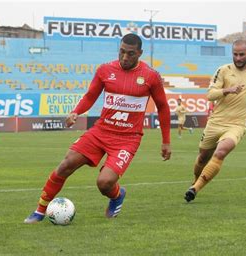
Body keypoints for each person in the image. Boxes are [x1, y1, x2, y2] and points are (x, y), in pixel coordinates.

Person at [24, 33, 171, 224]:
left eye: (131, 54)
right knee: (65, 164)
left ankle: (117, 196)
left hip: (127, 139)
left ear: (140, 53)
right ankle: (40, 210)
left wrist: (166, 141)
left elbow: (163, 107)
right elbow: (90, 96)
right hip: (100, 132)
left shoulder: (151, 76)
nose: (125, 57)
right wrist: (76, 112)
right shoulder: (105, 70)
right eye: (122, 52)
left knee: (104, 183)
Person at [184, 39, 246, 202]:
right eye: (235, 54)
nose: (238, 58)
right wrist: (227, 90)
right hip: (216, 122)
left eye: (241, 54)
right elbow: (210, 95)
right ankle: (195, 180)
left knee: (221, 152)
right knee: (202, 157)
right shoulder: (223, 70)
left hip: (236, 125)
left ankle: (195, 188)